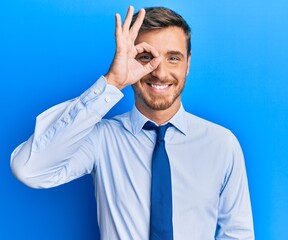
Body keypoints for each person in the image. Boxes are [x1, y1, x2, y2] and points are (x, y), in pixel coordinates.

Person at [10, 6, 254, 240]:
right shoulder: (101, 139)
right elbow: (30, 170)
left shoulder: (222, 144)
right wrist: (112, 82)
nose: (159, 72)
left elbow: (237, 234)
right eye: (146, 57)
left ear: (188, 63)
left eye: (173, 58)